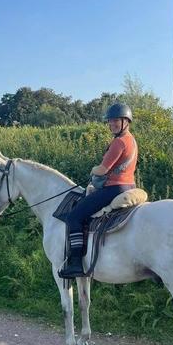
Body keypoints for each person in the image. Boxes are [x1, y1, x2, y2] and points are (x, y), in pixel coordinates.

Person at [59, 103, 138, 278]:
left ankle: (76, 263)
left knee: (74, 216)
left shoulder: (119, 142)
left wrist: (93, 169)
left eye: (116, 121)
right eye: (110, 121)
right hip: (129, 186)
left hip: (114, 189)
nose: (112, 124)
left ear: (126, 121)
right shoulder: (131, 139)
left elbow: (103, 169)